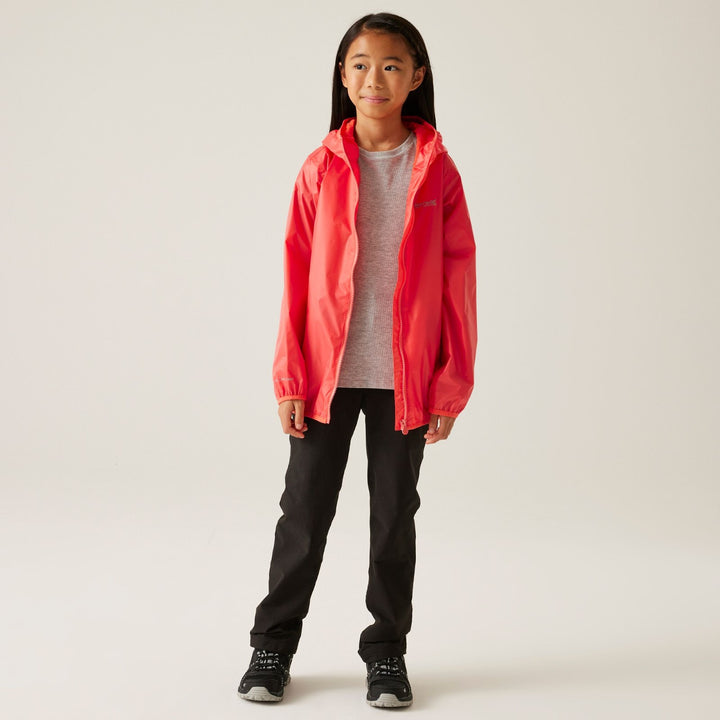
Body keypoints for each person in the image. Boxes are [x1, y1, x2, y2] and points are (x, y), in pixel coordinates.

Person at [237, 11, 477, 709]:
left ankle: (386, 653)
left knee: (393, 518)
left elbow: (459, 278)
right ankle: (272, 646)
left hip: (405, 379)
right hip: (325, 377)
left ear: (417, 77)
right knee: (303, 515)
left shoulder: (437, 169)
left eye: (392, 65)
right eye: (361, 64)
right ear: (343, 77)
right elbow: (295, 276)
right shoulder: (320, 167)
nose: (376, 78)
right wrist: (290, 377)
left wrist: (450, 384)